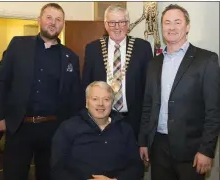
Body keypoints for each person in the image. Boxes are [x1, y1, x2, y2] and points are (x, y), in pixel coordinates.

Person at [0, 3, 82, 180]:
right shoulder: (18, 45)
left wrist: (72, 131)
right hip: (19, 126)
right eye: (49, 17)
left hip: (54, 130)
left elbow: (75, 98)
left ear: (63, 24)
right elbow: (1, 82)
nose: (53, 23)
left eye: (58, 19)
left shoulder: (70, 57)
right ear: (39, 20)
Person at [138, 4, 220, 180]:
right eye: (167, 22)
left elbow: (214, 110)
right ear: (162, 27)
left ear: (187, 26)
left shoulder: (207, 60)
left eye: (177, 22)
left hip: (191, 150)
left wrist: (206, 150)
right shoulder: (154, 64)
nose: (172, 27)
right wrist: (143, 141)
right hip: (158, 146)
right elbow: (148, 105)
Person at [82, 4, 153, 139]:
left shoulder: (142, 47)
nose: (117, 27)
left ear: (127, 24)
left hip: (134, 121)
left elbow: (149, 87)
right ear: (105, 24)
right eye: (112, 22)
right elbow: (86, 84)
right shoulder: (93, 48)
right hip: (101, 120)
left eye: (121, 22)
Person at [51, 81, 144, 180]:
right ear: (87, 103)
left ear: (112, 103)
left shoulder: (125, 129)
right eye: (95, 99)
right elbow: (57, 170)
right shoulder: (68, 128)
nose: (100, 104)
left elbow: (137, 168)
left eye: (106, 99)